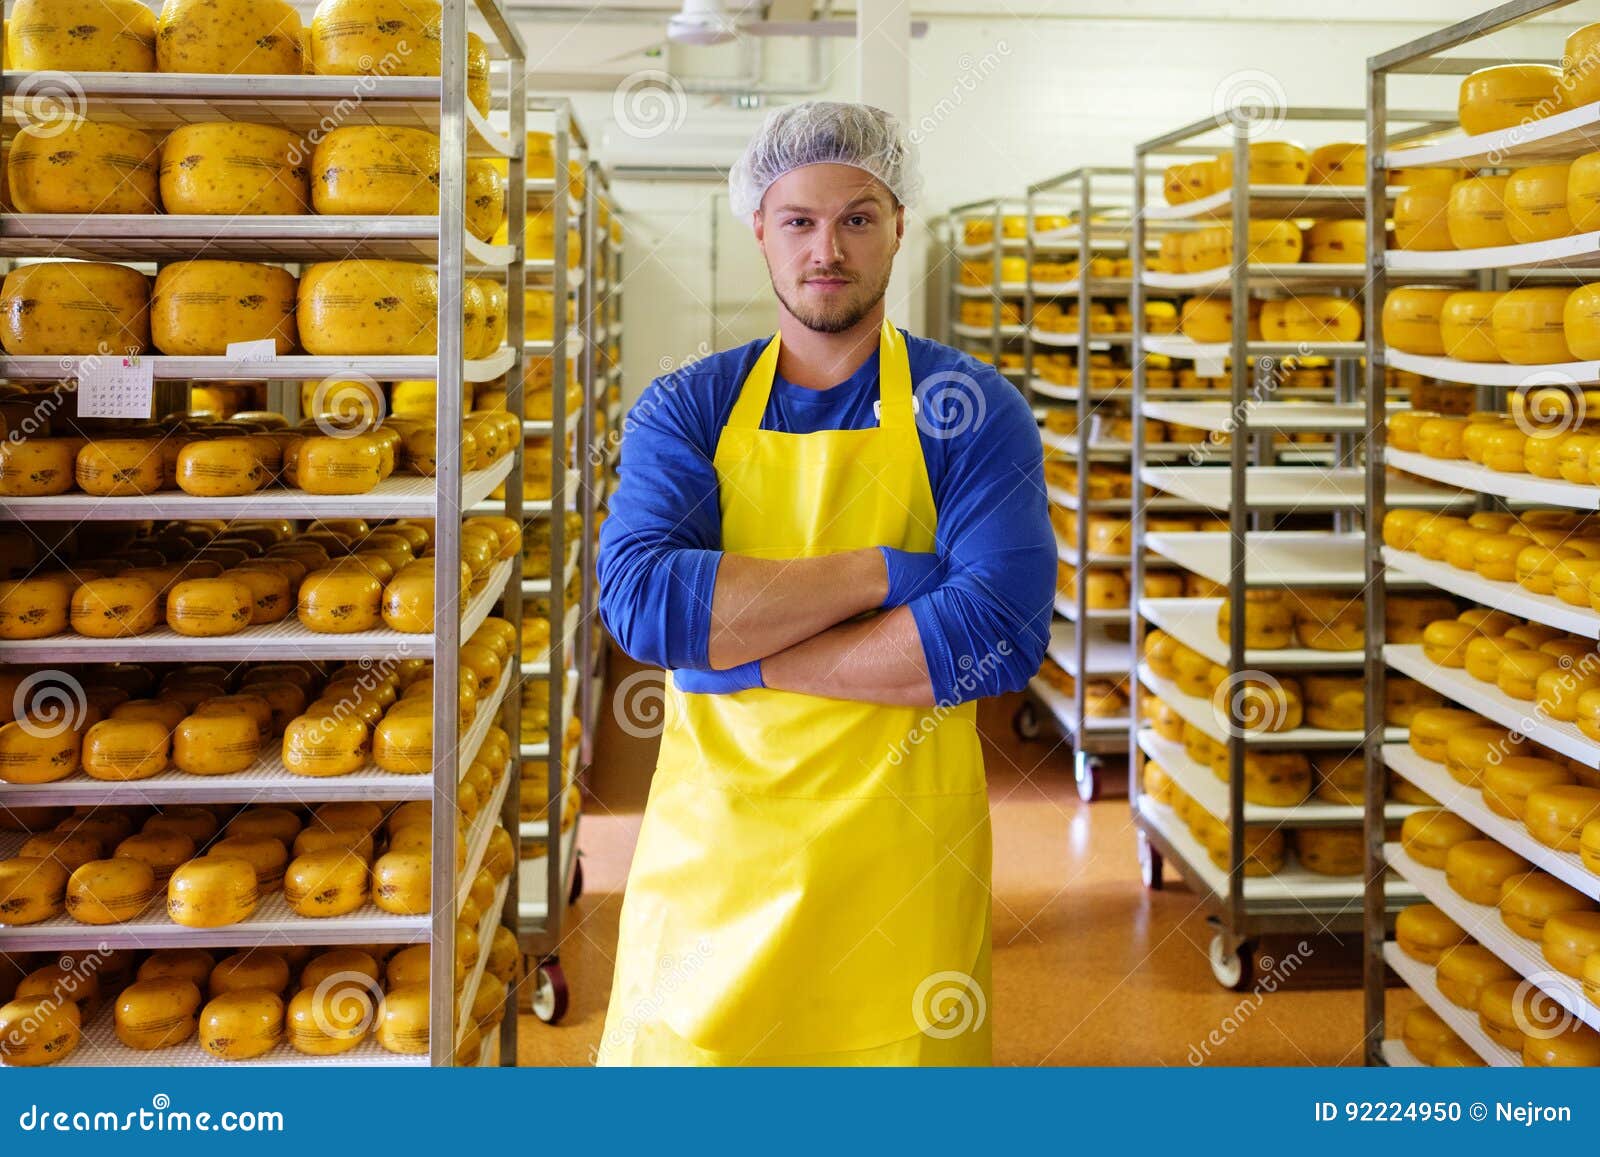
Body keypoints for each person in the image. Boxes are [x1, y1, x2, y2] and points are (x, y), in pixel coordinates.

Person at [594, 100, 1055, 1066]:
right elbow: (646, 603)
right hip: (714, 870)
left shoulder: (967, 410)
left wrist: (746, 665)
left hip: (899, 875)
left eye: (858, 217)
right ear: (759, 228)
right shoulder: (690, 405)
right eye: (799, 220)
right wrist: (885, 573)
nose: (827, 249)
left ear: (899, 226)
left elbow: (994, 632)